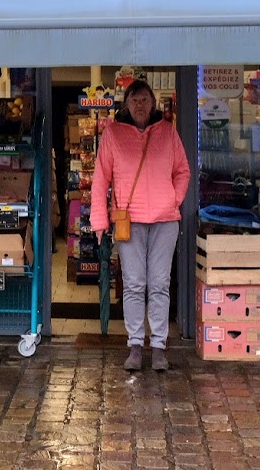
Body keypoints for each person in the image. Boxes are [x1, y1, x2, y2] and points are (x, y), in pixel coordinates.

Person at [91, 80, 191, 371]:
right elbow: (100, 180)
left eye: (145, 99)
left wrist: (174, 199)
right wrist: (99, 220)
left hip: (165, 220)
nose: (140, 105)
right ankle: (135, 346)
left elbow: (183, 171)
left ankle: (159, 346)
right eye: (134, 99)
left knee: (159, 285)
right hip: (129, 221)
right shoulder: (112, 135)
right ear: (126, 103)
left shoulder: (168, 133)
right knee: (134, 285)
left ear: (154, 103)